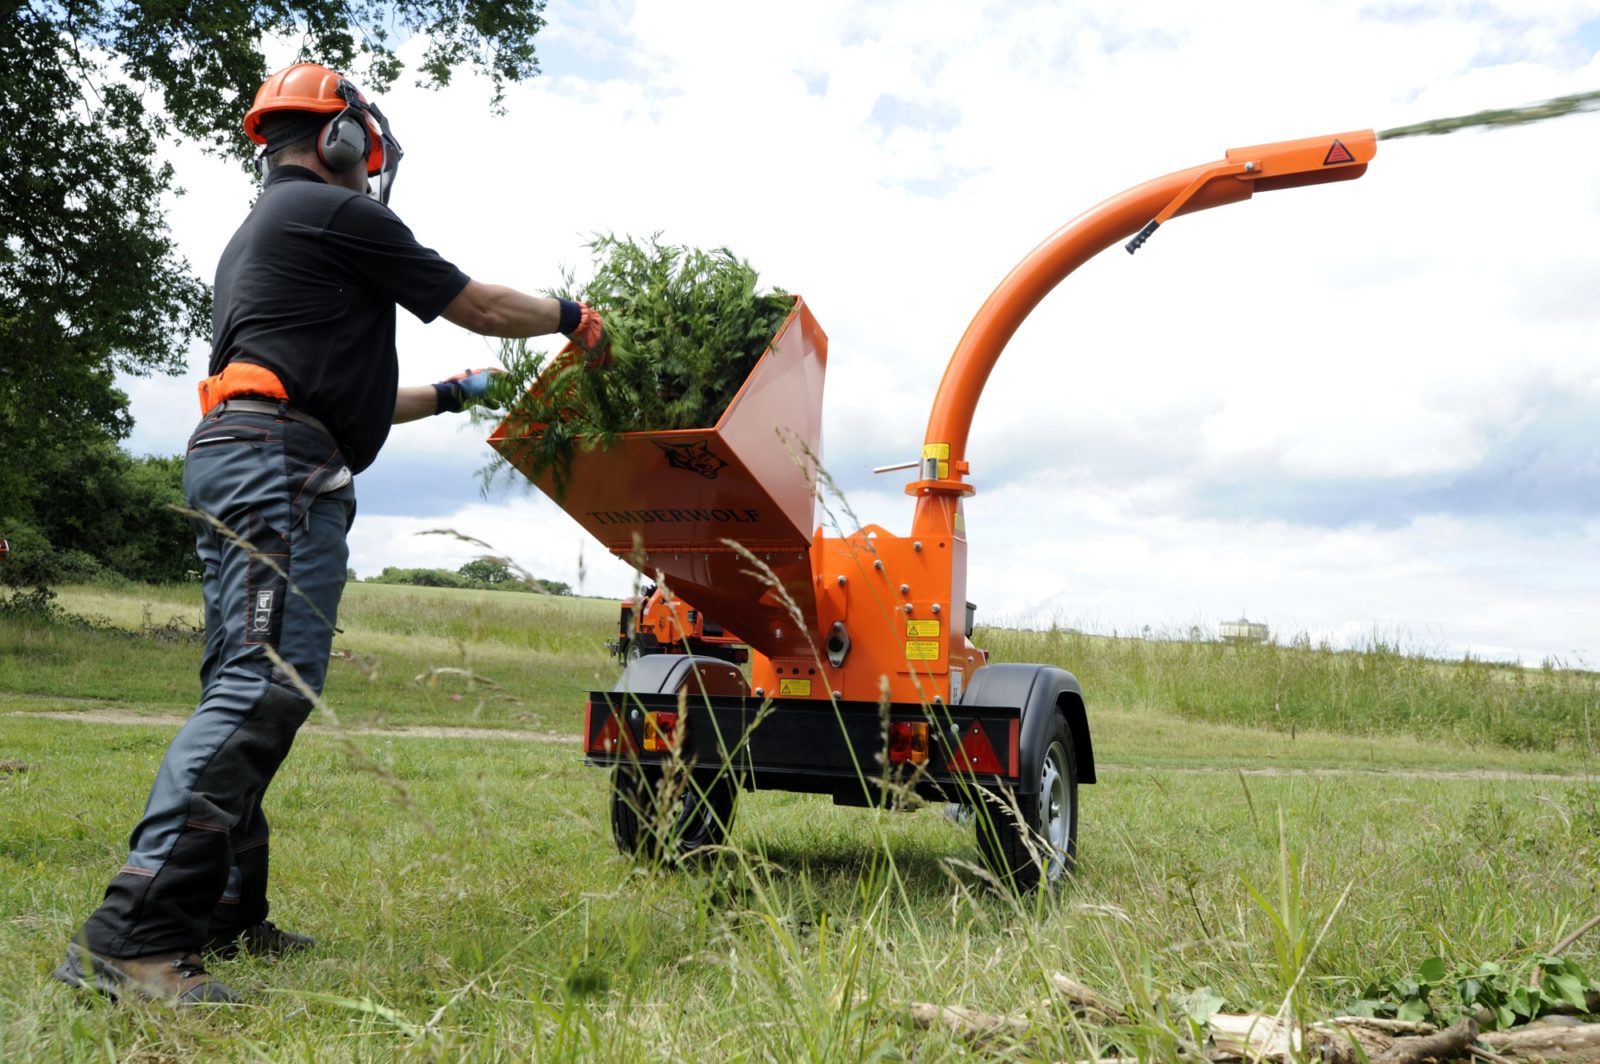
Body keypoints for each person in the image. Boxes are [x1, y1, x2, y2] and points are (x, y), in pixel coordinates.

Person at [52, 61, 605, 1005]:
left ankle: (225, 915)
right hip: (279, 468)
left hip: (249, 450)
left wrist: (456, 395)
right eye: (366, 150)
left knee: (243, 677)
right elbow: (476, 303)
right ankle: (131, 938)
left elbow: (338, 392)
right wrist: (574, 317)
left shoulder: (263, 234)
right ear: (341, 138)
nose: (370, 169)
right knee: (263, 684)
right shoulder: (340, 214)